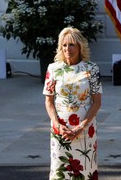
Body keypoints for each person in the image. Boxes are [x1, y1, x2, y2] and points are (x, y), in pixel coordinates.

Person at [43, 27, 102, 180]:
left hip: (85, 128)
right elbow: (48, 101)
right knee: (60, 170)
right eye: (64, 45)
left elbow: (97, 102)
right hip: (60, 129)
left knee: (85, 170)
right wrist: (57, 124)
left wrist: (82, 126)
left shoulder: (92, 69)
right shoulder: (53, 69)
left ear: (80, 46)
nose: (67, 49)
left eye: (71, 45)